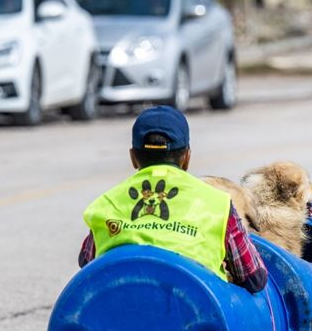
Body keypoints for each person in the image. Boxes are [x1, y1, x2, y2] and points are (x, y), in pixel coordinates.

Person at [78, 105, 268, 293]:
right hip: (197, 308)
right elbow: (255, 278)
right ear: (187, 157)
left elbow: (86, 263)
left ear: (133, 157)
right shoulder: (219, 206)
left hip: (120, 305)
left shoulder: (105, 204)